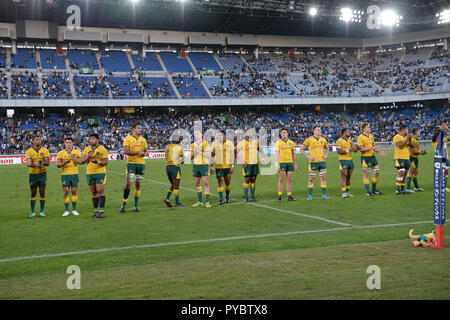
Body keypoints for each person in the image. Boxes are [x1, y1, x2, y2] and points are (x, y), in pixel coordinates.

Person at [120, 124, 148, 213]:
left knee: (138, 185)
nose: (140, 130)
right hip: (131, 163)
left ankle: (135, 206)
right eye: (138, 128)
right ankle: (124, 204)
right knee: (129, 184)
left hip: (141, 164)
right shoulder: (128, 138)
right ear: (133, 129)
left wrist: (145, 153)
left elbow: (145, 151)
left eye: (141, 128)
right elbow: (126, 151)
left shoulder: (143, 140)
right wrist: (138, 153)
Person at [81, 134, 108, 219]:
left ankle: (102, 211)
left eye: (93, 139)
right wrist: (88, 156)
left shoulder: (102, 149)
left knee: (100, 191)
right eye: (90, 139)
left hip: (100, 172)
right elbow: (82, 161)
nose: (91, 141)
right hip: (89, 173)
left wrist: (98, 162)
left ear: (97, 140)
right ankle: (96, 211)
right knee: (93, 192)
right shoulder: (86, 149)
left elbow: (105, 162)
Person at [300, 125, 330, 200]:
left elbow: (327, 147)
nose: (320, 131)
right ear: (314, 131)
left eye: (320, 130)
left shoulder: (323, 139)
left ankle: (324, 195)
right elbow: (301, 149)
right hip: (313, 163)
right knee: (311, 179)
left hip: (322, 162)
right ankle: (310, 195)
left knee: (323, 178)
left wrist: (326, 155)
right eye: (318, 130)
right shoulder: (309, 140)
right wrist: (308, 156)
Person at [357, 123, 386, 197]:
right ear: (363, 129)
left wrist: (379, 152)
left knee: (376, 172)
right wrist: (372, 148)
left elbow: (373, 147)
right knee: (366, 174)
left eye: (369, 127)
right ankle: (367, 191)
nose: (369, 128)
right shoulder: (360, 137)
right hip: (365, 157)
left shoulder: (371, 136)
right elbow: (361, 149)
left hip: (372, 156)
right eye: (368, 127)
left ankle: (374, 189)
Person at [56, 137, 83, 216]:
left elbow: (80, 162)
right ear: (64, 143)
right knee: (66, 192)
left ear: (72, 143)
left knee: (74, 191)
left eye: (70, 142)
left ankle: (74, 209)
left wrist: (72, 157)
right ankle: (67, 210)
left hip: (74, 174)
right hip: (65, 175)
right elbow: (58, 165)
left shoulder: (77, 152)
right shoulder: (60, 153)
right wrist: (65, 162)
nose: (68, 144)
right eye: (67, 142)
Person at [25, 135, 50, 218]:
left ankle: (42, 211)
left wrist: (41, 163)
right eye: (37, 139)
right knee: (33, 193)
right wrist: (36, 165)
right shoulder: (29, 151)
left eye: (39, 139)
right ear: (33, 141)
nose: (39, 141)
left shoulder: (45, 150)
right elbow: (29, 164)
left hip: (42, 174)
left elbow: (48, 163)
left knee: (42, 192)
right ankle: (32, 211)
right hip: (33, 175)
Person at [236, 128, 264, 202]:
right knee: (247, 180)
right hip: (247, 164)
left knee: (253, 180)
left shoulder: (256, 142)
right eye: (248, 132)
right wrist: (241, 161)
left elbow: (260, 150)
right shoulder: (241, 143)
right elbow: (236, 153)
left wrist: (263, 157)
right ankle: (245, 197)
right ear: (245, 134)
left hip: (255, 164)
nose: (249, 134)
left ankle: (252, 197)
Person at [211, 131, 235, 205]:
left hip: (228, 166)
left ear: (225, 136)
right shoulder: (215, 144)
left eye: (221, 135)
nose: (219, 136)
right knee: (220, 182)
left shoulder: (230, 144)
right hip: (219, 166)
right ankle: (221, 199)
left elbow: (232, 155)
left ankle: (227, 197)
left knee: (227, 182)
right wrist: (211, 166)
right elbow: (212, 154)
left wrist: (232, 166)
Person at [274, 128, 297, 201]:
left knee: (289, 180)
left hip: (290, 163)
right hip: (282, 163)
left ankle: (289, 196)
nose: (283, 134)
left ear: (287, 133)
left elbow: (293, 154)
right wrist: (276, 164)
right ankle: (280, 196)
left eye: (285, 132)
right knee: (281, 179)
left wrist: (295, 164)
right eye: (282, 132)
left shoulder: (291, 142)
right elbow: (276, 154)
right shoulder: (278, 142)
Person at [191, 130, 212, 208]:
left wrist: (199, 152)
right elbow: (190, 157)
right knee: (197, 183)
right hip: (196, 165)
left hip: (204, 165)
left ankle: (207, 202)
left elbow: (208, 155)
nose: (197, 135)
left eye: (198, 133)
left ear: (202, 134)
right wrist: (193, 152)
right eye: (195, 134)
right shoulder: (193, 145)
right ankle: (200, 201)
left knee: (205, 182)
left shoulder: (206, 143)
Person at [335, 128, 358, 198]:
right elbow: (338, 151)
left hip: (350, 160)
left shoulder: (350, 141)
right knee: (344, 176)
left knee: (349, 176)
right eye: (348, 132)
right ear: (344, 133)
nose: (349, 132)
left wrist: (355, 149)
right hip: (343, 160)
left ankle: (347, 191)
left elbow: (354, 150)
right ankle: (343, 192)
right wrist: (349, 150)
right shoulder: (339, 141)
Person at [164, 136, 184, 208]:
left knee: (173, 184)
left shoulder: (167, 147)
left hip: (168, 167)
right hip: (175, 167)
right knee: (176, 186)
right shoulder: (179, 147)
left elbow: (166, 157)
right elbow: (182, 161)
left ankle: (167, 198)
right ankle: (177, 203)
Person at [393, 125, 413, 194]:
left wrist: (410, 140)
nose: (408, 131)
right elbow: (400, 146)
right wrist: (407, 139)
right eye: (407, 129)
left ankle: (403, 189)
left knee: (405, 173)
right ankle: (398, 189)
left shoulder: (405, 137)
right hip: (399, 157)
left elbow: (411, 146)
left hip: (406, 158)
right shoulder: (396, 137)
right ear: (403, 130)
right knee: (401, 172)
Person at [406, 128, 427, 192]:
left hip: (415, 158)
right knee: (411, 172)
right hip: (412, 157)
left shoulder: (414, 140)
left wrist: (420, 153)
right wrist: (422, 153)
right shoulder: (413, 140)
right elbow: (414, 151)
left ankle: (416, 187)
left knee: (415, 172)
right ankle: (408, 188)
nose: (419, 133)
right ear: (417, 132)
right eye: (419, 132)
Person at [432, 123, 449, 192]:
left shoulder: (445, 139)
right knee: (439, 172)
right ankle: (439, 186)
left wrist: (447, 129)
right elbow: (434, 136)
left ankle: (444, 187)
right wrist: (440, 130)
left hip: (445, 157)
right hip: (438, 158)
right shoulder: (434, 140)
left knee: (446, 172)